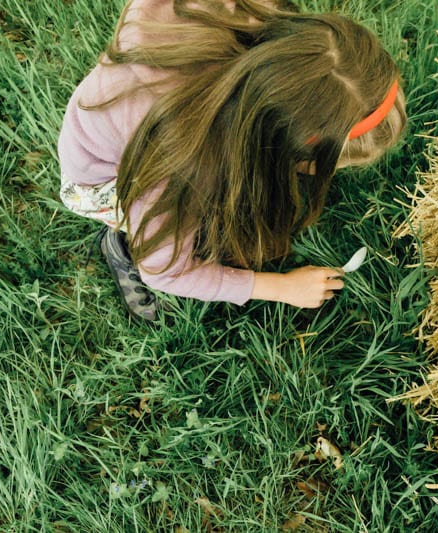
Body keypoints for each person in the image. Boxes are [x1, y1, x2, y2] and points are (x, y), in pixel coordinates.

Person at [58, 0, 406, 321]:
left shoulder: (250, 11)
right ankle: (120, 243)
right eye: (334, 165)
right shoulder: (185, 165)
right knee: (173, 230)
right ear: (284, 147)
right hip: (105, 179)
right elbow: (165, 271)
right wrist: (280, 287)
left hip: (132, 123)